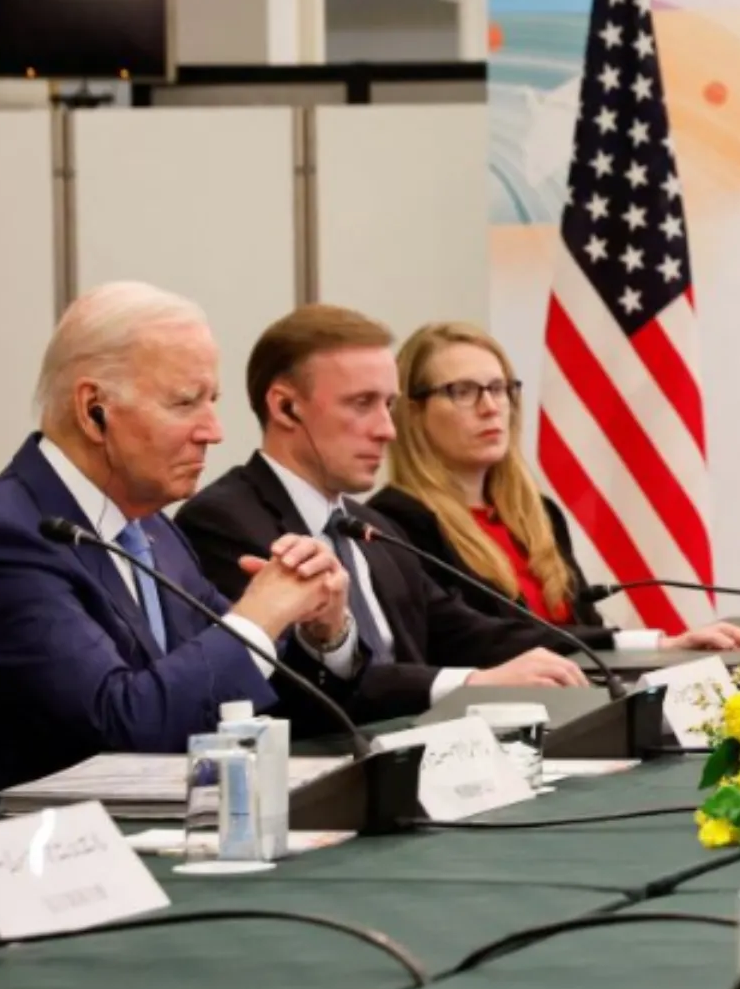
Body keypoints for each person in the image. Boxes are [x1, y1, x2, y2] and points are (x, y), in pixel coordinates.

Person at [0, 283, 349, 823]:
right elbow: (123, 729)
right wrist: (260, 615)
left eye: (212, 401)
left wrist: (321, 629)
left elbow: (226, 693)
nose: (214, 432)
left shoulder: (151, 530)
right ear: (93, 409)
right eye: (185, 402)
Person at [179, 305, 594, 717]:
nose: (387, 430)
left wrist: (626, 647)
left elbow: (466, 631)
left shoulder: (374, 527)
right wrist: (470, 684)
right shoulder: (223, 522)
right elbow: (297, 685)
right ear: (286, 407)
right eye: (362, 404)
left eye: (389, 405)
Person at [368, 321, 740, 653]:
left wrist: (664, 648)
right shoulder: (396, 523)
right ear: (412, 411)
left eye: (499, 388)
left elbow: (586, 628)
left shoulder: (537, 513)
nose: (490, 407)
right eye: (463, 391)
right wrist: (649, 642)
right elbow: (476, 640)